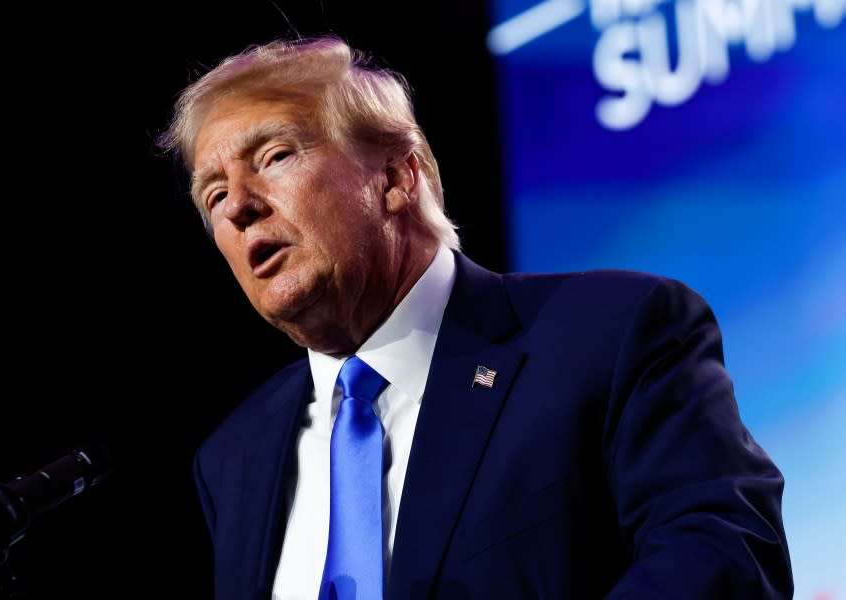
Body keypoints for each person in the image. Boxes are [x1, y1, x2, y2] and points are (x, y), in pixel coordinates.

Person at [157, 35, 793, 599]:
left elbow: (726, 552)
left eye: (274, 156)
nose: (238, 205)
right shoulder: (232, 458)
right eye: (213, 194)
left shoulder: (611, 333)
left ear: (395, 177)